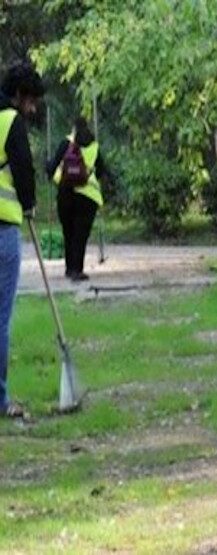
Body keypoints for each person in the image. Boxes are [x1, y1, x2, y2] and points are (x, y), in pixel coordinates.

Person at [0, 62, 45, 419]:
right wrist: (29, 204)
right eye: (31, 102)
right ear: (19, 95)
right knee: (1, 319)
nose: (31, 109)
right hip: (3, 229)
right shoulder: (9, 121)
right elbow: (24, 169)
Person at [46, 116, 111, 281]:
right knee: (80, 234)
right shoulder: (94, 147)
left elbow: (52, 167)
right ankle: (77, 269)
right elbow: (102, 170)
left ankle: (69, 269)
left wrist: (48, 167)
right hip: (87, 196)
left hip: (65, 193)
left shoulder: (65, 143)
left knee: (68, 232)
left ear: (73, 128)